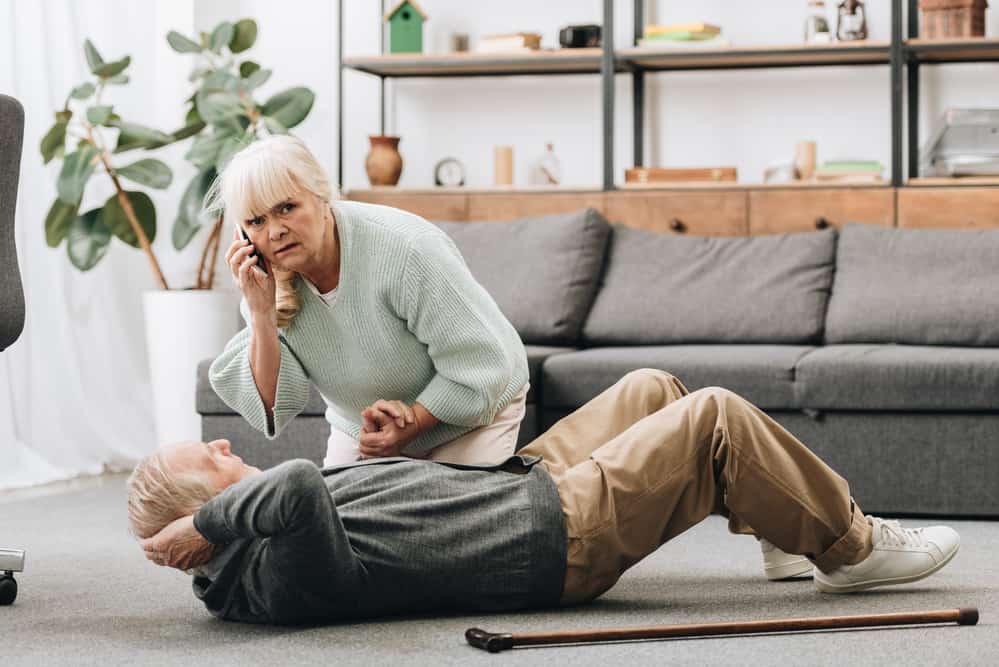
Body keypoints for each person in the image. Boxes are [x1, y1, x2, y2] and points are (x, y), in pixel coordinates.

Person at [130, 370, 960, 625]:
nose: (224, 445)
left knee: (650, 387)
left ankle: (783, 523)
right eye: (206, 457)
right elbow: (304, 486)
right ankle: (848, 547)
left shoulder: (260, 539)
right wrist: (207, 520)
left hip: (517, 489)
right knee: (713, 416)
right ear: (198, 510)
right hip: (552, 539)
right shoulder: (268, 580)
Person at [205, 135, 529, 467]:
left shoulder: (407, 248)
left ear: (322, 195)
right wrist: (261, 313)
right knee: (336, 518)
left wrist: (413, 422)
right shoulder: (264, 283)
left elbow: (482, 363)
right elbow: (274, 404)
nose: (274, 232)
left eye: (286, 208)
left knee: (452, 516)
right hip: (365, 429)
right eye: (256, 221)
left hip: (473, 407)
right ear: (242, 234)